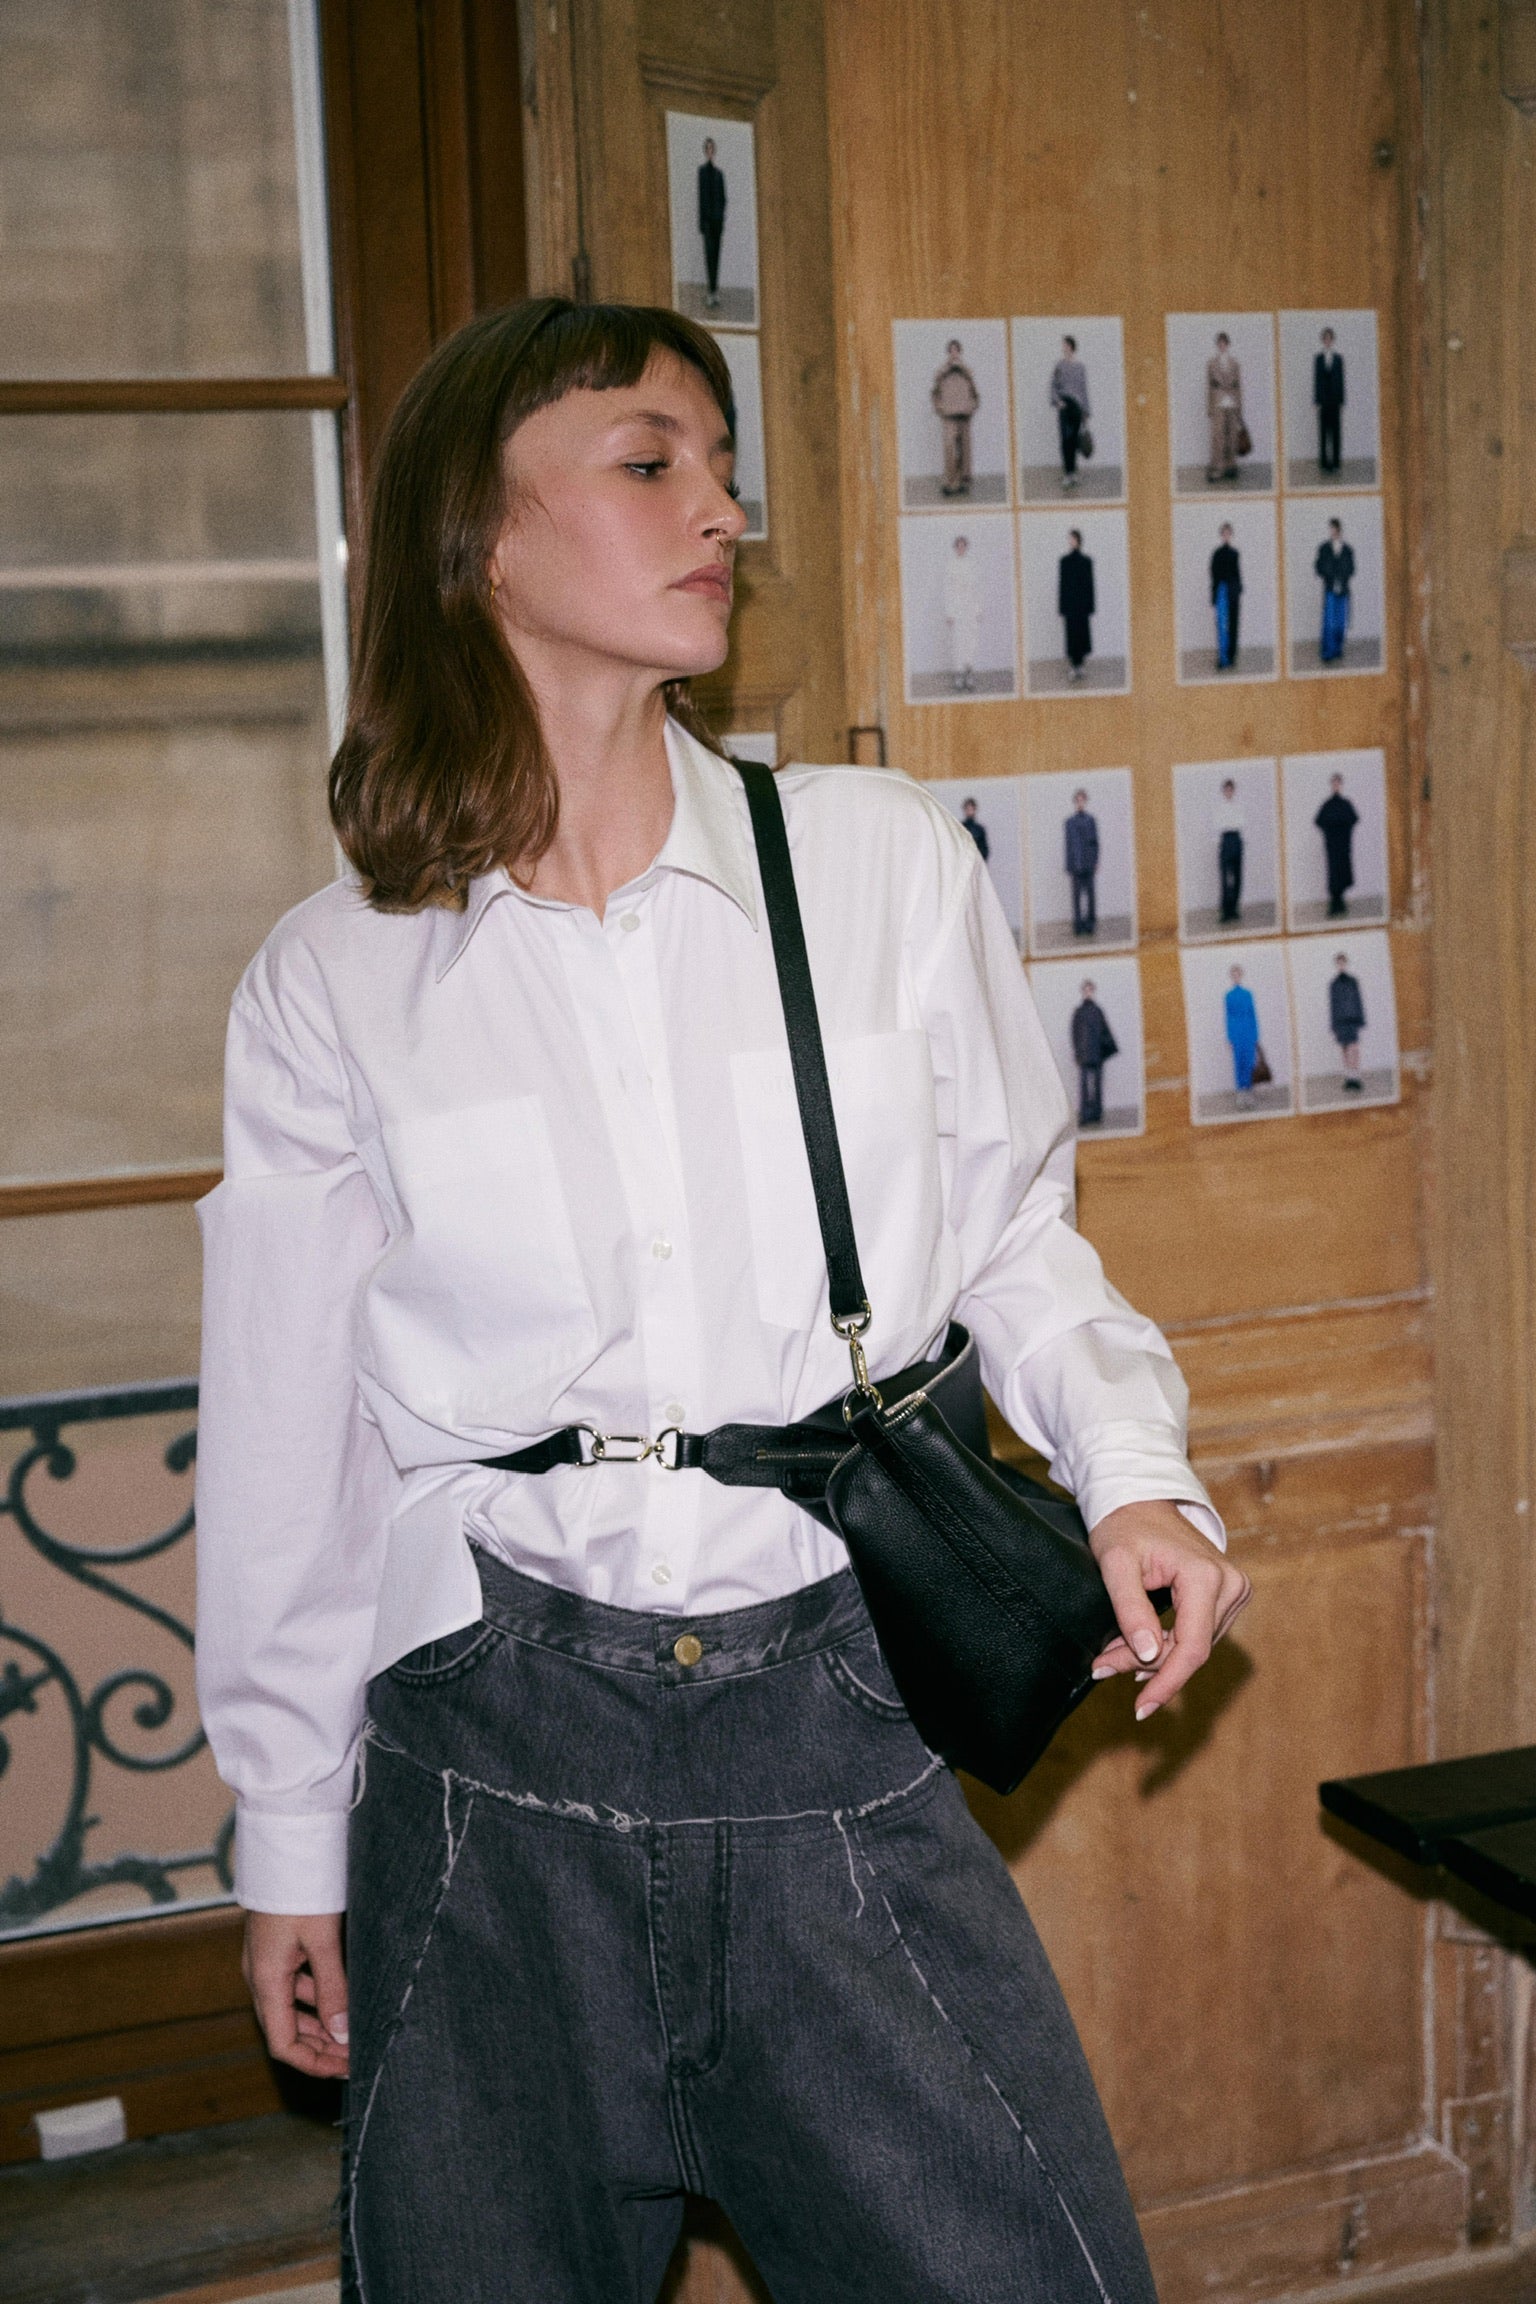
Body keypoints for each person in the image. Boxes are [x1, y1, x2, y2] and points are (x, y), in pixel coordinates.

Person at [196, 295, 1246, 2304]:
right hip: (485, 1756)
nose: (721, 509)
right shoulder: (337, 975)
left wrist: (1135, 1470)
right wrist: (288, 1840)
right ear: (484, 536)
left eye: (724, 463)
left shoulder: (873, 863)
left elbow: (1013, 1234)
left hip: (832, 1715)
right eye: (649, 459)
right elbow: (285, 1432)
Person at [931, 337, 980, 496]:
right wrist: (940, 408)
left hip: (964, 414)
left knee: (965, 450)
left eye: (956, 350)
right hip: (948, 415)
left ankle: (963, 481)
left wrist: (972, 407)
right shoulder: (942, 372)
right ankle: (950, 482)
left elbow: (974, 391)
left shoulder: (967, 372)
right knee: (950, 448)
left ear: (960, 352)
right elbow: (935, 389)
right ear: (948, 352)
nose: (954, 353)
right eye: (951, 350)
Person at [1071, 980, 1118, 1127]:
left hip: (1097, 1054)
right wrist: (1077, 1053)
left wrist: (1106, 1050)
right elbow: (1075, 1035)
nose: (1088, 993)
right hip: (1084, 1054)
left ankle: (1097, 1114)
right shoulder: (1078, 1012)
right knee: (1084, 1086)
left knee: (1097, 1085)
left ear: (1093, 992)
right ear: (1082, 992)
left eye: (1090, 990)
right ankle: (1085, 1116)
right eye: (1086, 990)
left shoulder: (1098, 1011)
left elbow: (1105, 1031)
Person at [1314, 771, 1360, 915]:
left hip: (1344, 845)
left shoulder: (1346, 803)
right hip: (1332, 846)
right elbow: (1318, 821)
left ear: (1341, 785)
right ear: (1331, 785)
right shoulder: (1327, 805)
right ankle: (1334, 904)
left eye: (1338, 783)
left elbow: (1354, 819)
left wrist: (1344, 828)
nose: (1336, 786)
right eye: (1334, 783)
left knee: (1343, 872)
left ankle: (1341, 903)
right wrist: (1330, 829)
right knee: (1333, 873)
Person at [1049, 333, 1090, 490]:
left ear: (1071, 347)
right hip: (1065, 405)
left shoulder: (1080, 367)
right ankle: (1067, 473)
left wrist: (1086, 411)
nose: (1063, 347)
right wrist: (1057, 401)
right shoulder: (1059, 365)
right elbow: (1053, 385)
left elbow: (1083, 389)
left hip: (1077, 407)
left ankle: (1073, 473)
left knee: (1074, 440)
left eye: (1065, 345)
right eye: (1063, 345)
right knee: (1065, 440)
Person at [941, 531, 981, 691]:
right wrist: (949, 613)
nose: (961, 549)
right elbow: (947, 590)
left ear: (966, 547)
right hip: (957, 608)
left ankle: (968, 675)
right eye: (958, 546)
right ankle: (958, 676)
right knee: (958, 642)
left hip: (970, 608)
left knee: (970, 643)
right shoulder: (950, 565)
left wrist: (978, 610)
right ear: (955, 548)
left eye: (963, 546)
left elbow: (976, 589)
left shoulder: (972, 565)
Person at [1315, 517, 1355, 664]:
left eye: (1334, 528)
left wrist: (1342, 575)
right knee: (1329, 622)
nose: (1332, 531)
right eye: (1330, 528)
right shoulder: (1324, 548)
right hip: (1330, 589)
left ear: (1339, 529)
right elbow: (1318, 567)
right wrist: (1329, 572)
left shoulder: (1348, 550)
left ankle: (1338, 649)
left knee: (1341, 622)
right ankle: (1327, 652)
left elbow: (1352, 569)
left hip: (1343, 590)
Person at [1058, 527, 1095, 682]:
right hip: (1070, 607)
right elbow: (1062, 586)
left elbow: (1090, 585)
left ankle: (1080, 666)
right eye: (1069, 539)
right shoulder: (1064, 562)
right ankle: (1074, 666)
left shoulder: (1086, 562)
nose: (1071, 541)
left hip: (1082, 607)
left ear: (1079, 540)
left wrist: (1091, 606)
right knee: (1071, 636)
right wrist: (1062, 607)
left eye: (1073, 538)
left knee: (1082, 636)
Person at [1207, 330, 1244, 483]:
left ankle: (1231, 466)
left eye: (1224, 343)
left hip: (1232, 402)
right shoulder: (1211, 363)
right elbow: (1209, 387)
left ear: (1228, 344)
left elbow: (1239, 386)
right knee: (1218, 435)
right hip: (1218, 402)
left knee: (1232, 435)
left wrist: (1240, 408)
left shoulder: (1235, 363)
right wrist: (1209, 407)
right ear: (1217, 345)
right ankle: (1217, 467)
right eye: (1220, 343)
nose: (1222, 345)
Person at [697, 137, 726, 310]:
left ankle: (715, 291)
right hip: (707, 223)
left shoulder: (719, 174)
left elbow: (723, 198)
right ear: (705, 151)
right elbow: (701, 198)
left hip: (717, 223)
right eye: (707, 149)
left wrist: (720, 217)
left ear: (713, 151)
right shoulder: (702, 172)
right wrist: (702, 222)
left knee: (716, 257)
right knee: (709, 257)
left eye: (711, 149)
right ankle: (710, 291)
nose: (709, 151)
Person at [1065, 786, 1099, 933]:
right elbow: (1068, 845)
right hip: (1075, 865)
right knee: (1076, 897)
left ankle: (1090, 924)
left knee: (1090, 896)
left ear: (1085, 802)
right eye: (1077, 801)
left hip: (1089, 863)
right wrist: (1068, 865)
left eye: (1082, 800)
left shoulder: (1091, 820)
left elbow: (1095, 843)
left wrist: (1095, 861)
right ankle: (1078, 925)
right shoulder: (1069, 822)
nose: (1080, 803)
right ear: (1075, 802)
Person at [1330, 953, 1366, 1091]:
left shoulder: (1353, 981)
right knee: (1344, 1050)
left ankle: (1356, 1078)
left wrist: (1360, 1019)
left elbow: (1358, 1001)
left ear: (1346, 963)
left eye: (1343, 963)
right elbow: (1333, 1005)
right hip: (1340, 1021)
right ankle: (1349, 1078)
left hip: (1352, 1020)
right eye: (1338, 963)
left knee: (1354, 1049)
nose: (1341, 965)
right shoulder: (1333, 984)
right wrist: (1333, 1024)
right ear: (1336, 965)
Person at [1225, 964, 1260, 1102]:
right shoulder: (1228, 996)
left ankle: (1249, 1091)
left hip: (1248, 1033)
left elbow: (1253, 1014)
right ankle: (1240, 1092)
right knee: (1238, 1062)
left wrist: (1255, 1036)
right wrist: (1230, 1038)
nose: (1236, 977)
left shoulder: (1248, 994)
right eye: (1233, 975)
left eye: (1238, 975)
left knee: (1249, 1062)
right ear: (1231, 977)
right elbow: (1228, 1017)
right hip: (1236, 1033)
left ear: (1241, 976)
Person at [1210, 521, 1242, 670]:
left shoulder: (1235, 553)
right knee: (1222, 625)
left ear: (1231, 535)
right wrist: (1214, 595)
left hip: (1233, 591)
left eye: (1228, 533)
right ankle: (1223, 658)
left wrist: (1238, 589)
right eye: (1224, 533)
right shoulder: (1216, 554)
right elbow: (1213, 575)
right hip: (1221, 591)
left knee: (1233, 624)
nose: (1226, 535)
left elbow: (1237, 573)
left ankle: (1232, 657)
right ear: (1221, 535)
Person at [1314, 326, 1345, 474]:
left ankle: (1336, 463)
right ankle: (1324, 464)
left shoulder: (1338, 358)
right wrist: (1317, 401)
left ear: (1332, 340)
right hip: (1323, 402)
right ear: (1323, 340)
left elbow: (1341, 380)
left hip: (1335, 401)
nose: (1327, 340)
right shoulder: (1318, 359)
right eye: (1325, 338)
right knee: (1323, 433)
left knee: (1336, 433)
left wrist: (1342, 401)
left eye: (1329, 338)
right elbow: (1316, 380)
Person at [1216, 776, 1244, 924]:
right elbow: (1218, 825)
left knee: (1238, 876)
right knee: (1225, 878)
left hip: (1237, 839)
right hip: (1225, 840)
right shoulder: (1219, 808)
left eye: (1231, 789)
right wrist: (1220, 844)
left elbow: (1241, 823)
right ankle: (1225, 911)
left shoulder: (1238, 806)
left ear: (1233, 791)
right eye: (1226, 790)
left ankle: (1234, 909)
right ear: (1223, 791)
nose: (1229, 792)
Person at [959, 795, 989, 859]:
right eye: (967, 809)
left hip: (976, 860)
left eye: (971, 809)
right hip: (963, 860)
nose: (969, 812)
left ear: (975, 810)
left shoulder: (979, 830)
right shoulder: (960, 828)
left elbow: (984, 850)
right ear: (964, 810)